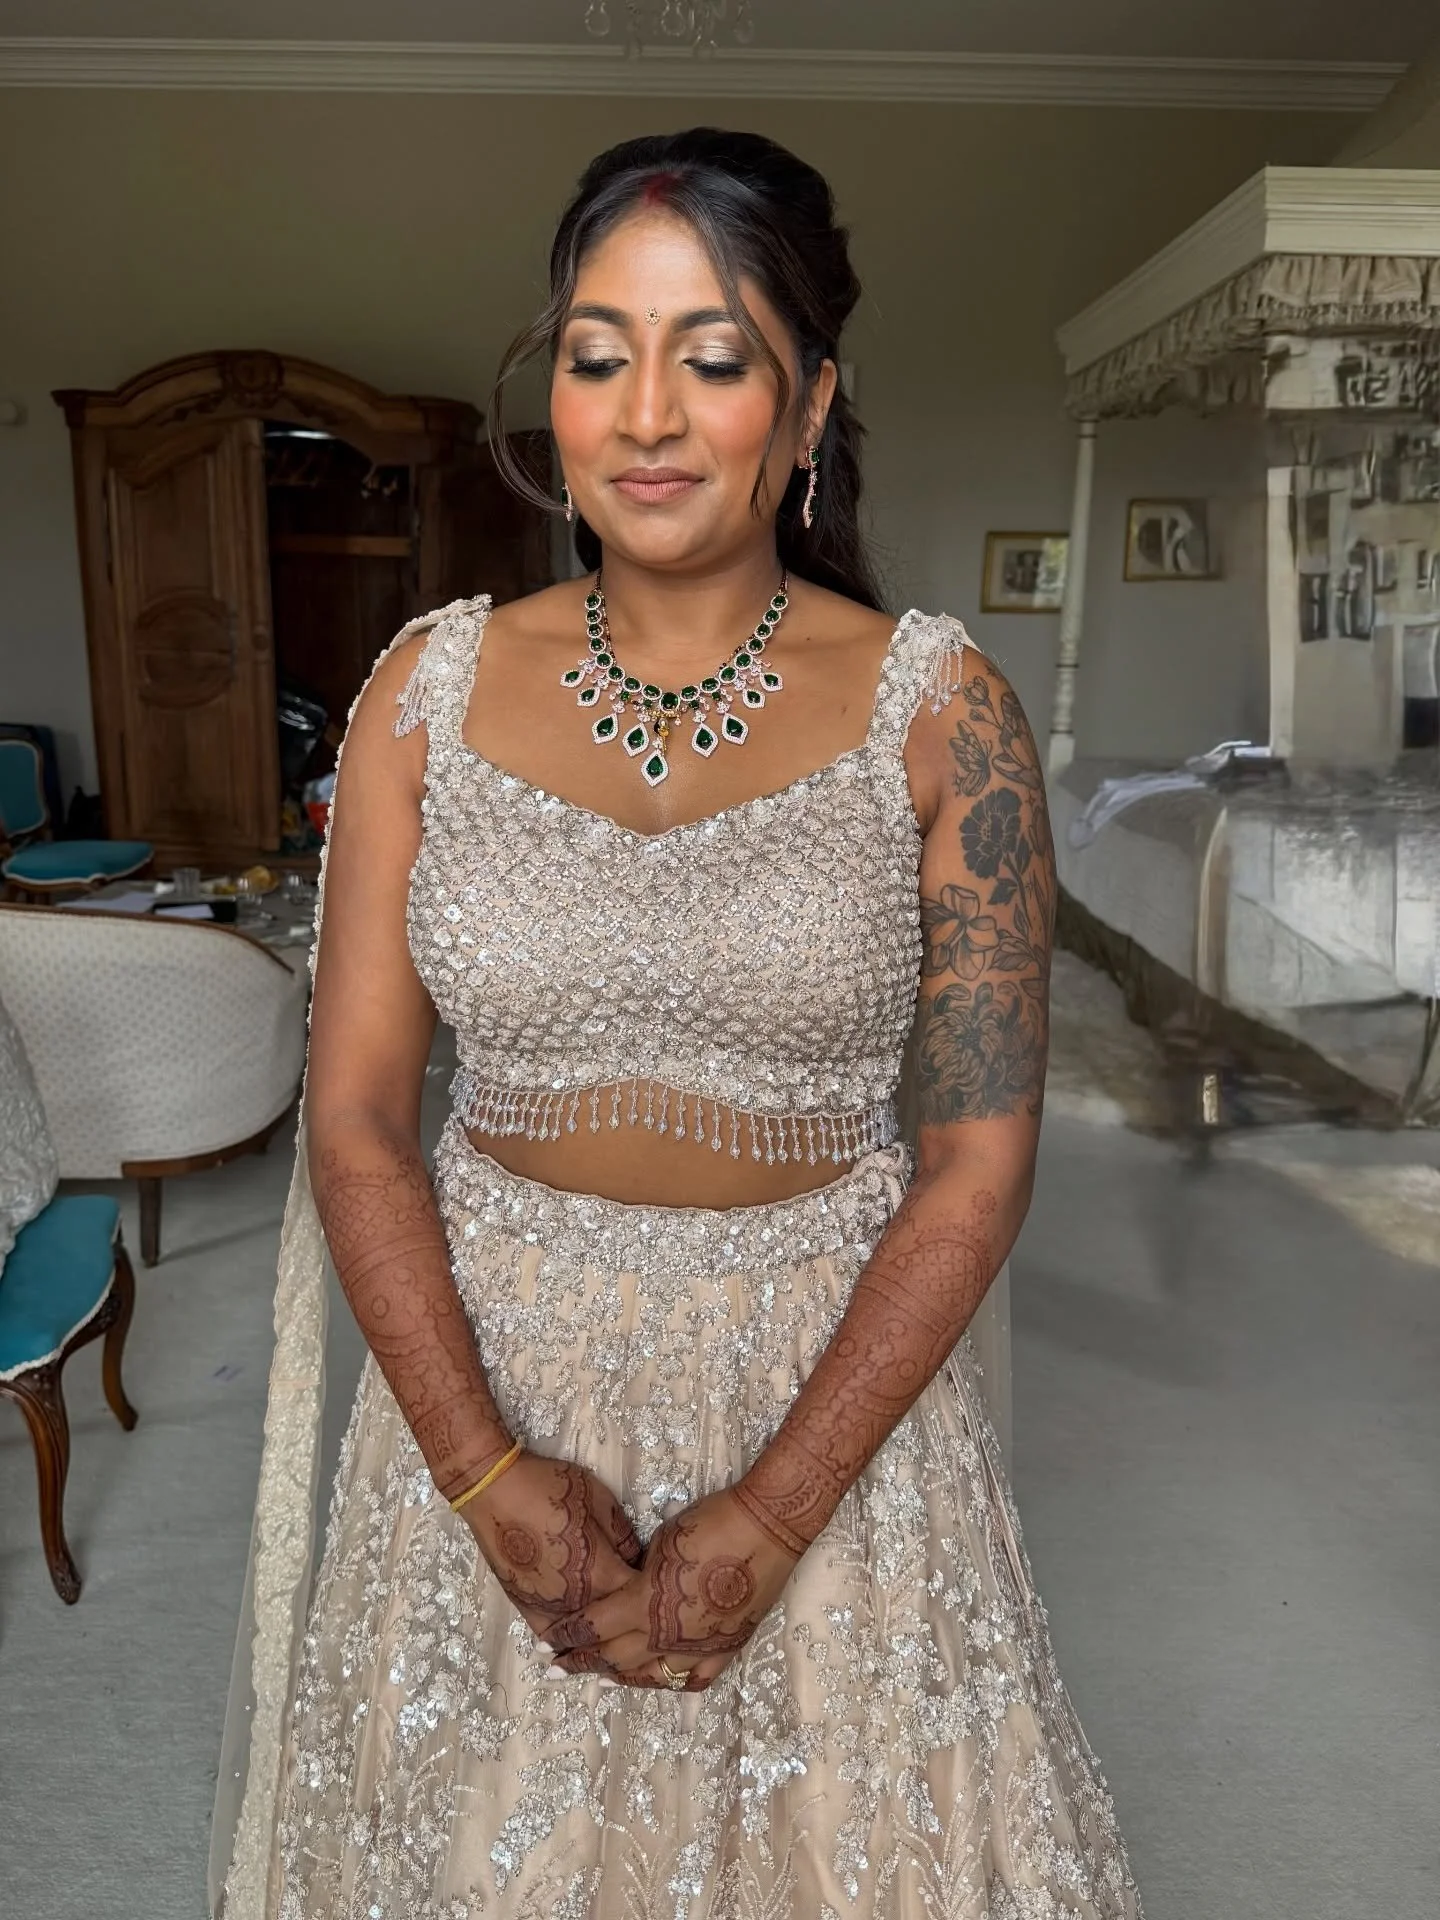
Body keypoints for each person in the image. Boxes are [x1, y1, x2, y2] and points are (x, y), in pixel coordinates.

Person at [212, 128, 1143, 1920]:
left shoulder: (945, 715)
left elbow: (976, 1164)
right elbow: (357, 1123)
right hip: (487, 1378)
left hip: (828, 1395)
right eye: (597, 354)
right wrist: (482, 1471)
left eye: (713, 359)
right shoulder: (423, 694)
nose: (646, 415)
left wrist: (778, 1510)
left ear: (810, 408)